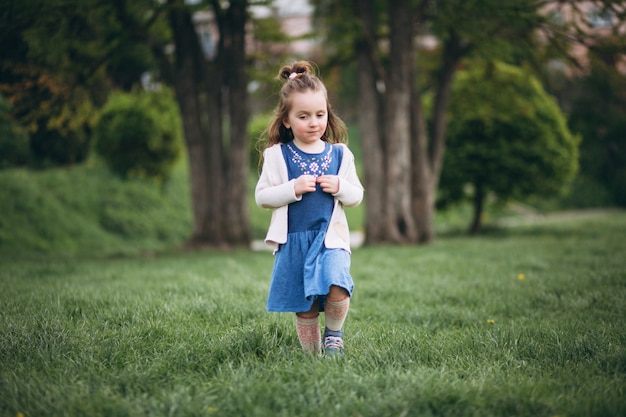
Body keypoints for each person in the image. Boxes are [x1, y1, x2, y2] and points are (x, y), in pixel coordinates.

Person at [255, 61, 364, 356]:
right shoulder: (277, 155)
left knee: (337, 284)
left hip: (330, 239)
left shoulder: (340, 154)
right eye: (303, 116)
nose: (314, 122)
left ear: (328, 114)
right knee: (305, 306)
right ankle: (312, 356)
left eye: (320, 114)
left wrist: (340, 187)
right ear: (287, 120)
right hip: (294, 241)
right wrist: (292, 189)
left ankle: (334, 337)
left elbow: (356, 195)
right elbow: (262, 197)